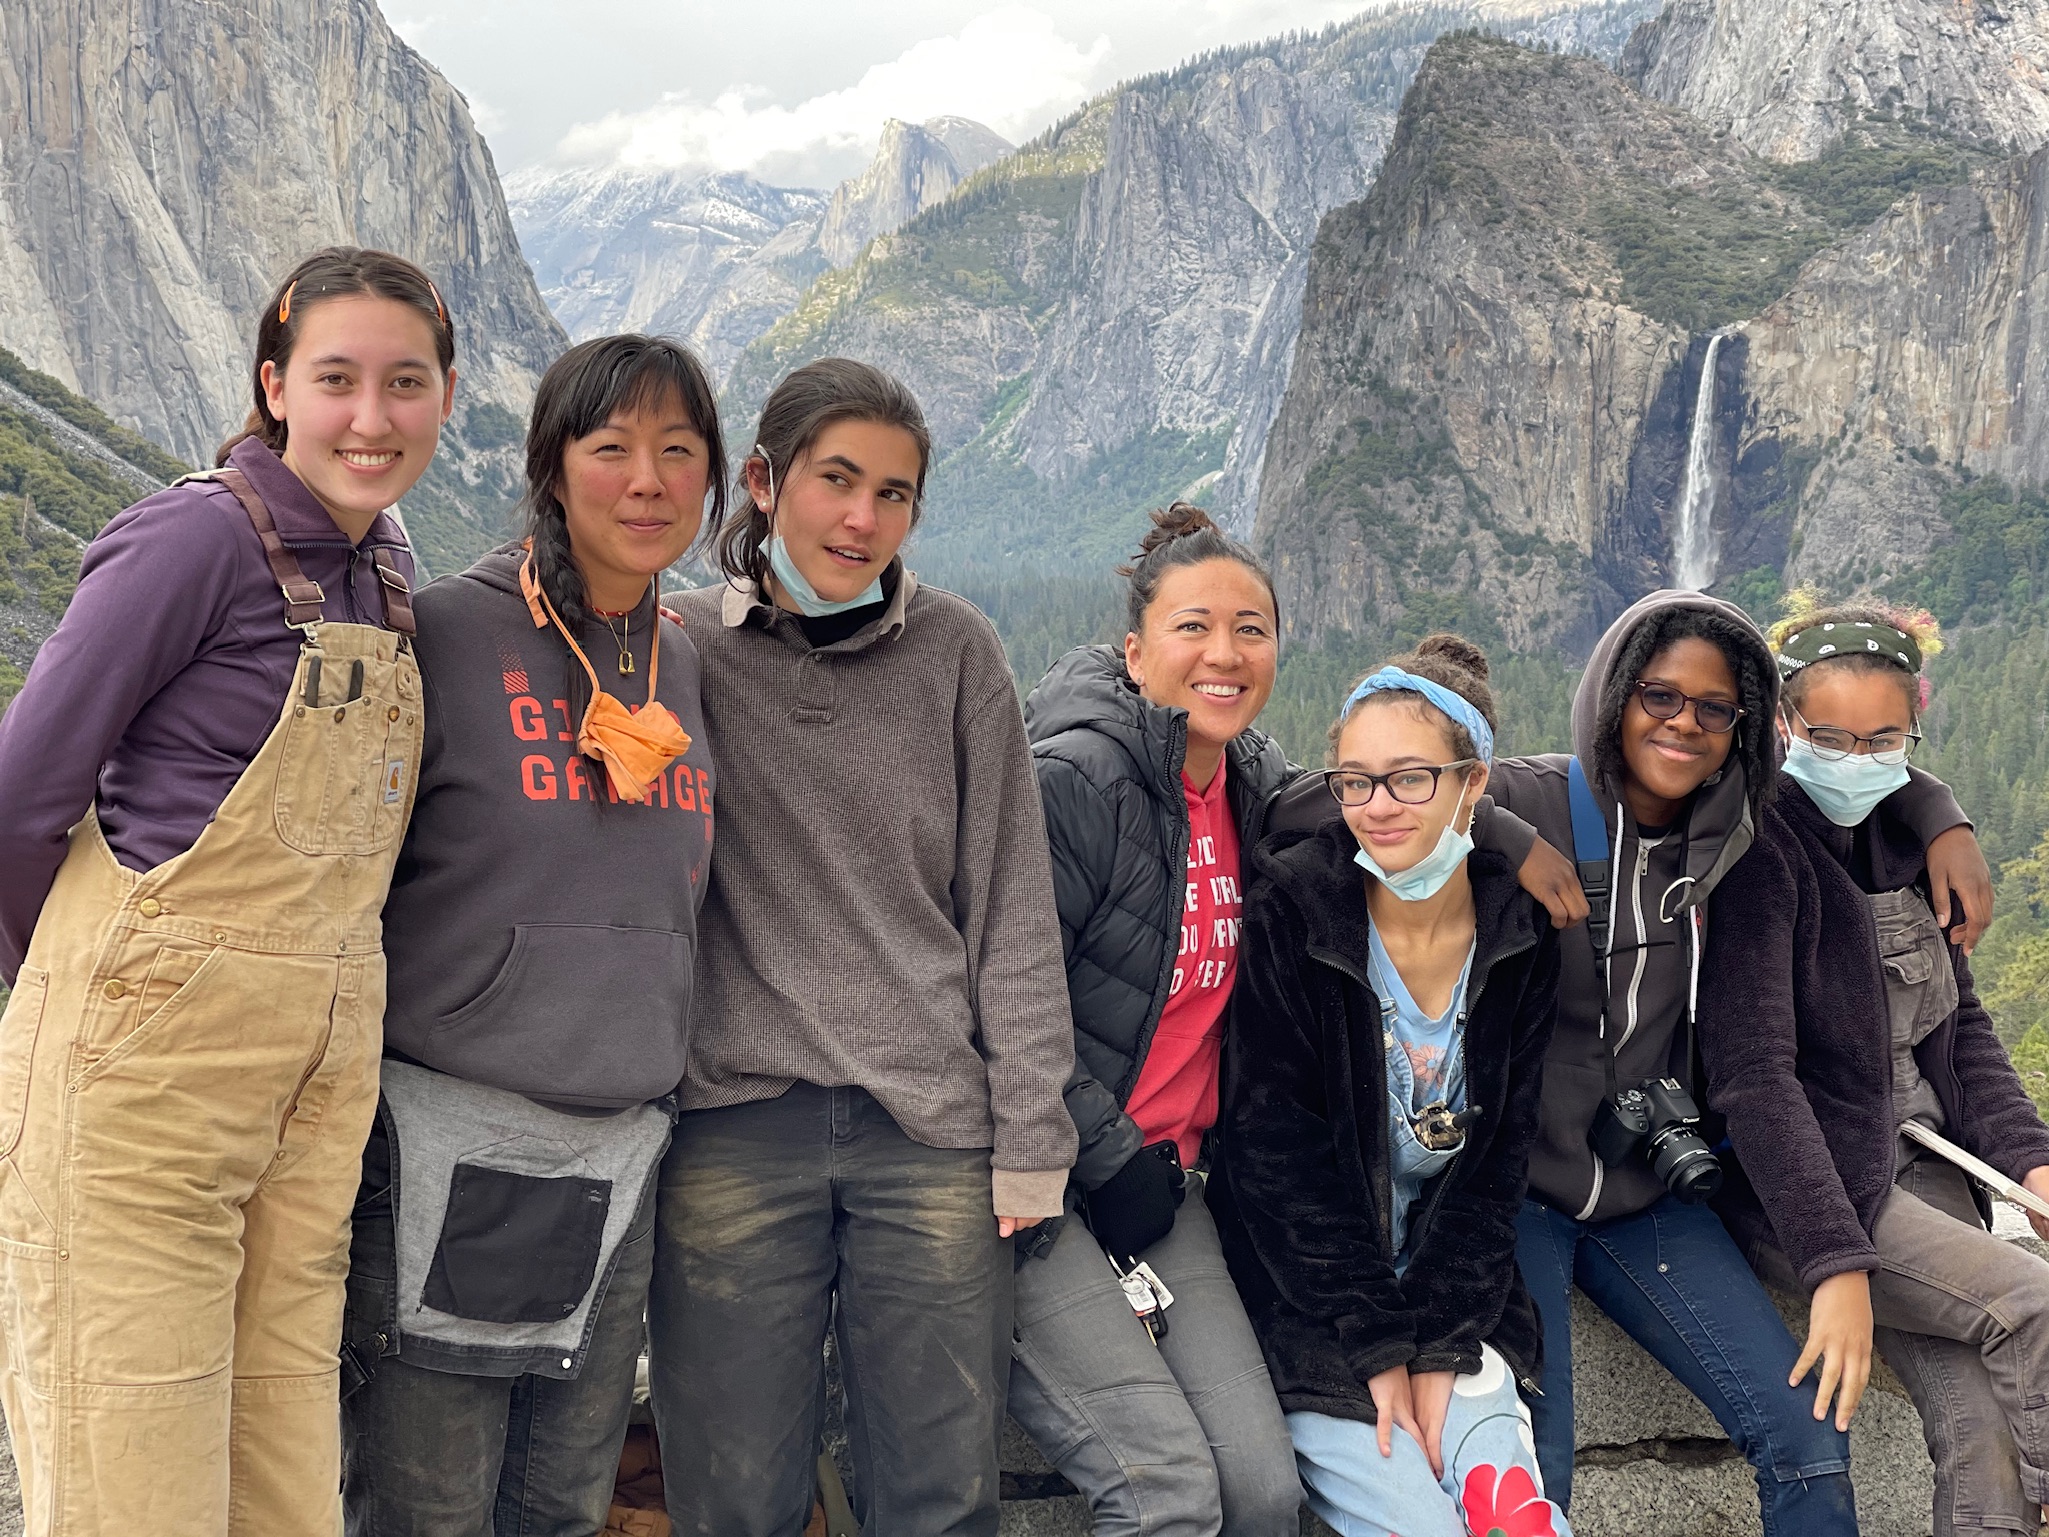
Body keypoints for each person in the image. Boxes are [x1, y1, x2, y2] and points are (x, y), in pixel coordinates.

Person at [1017, 506, 1593, 1536]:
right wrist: (1105, 1161)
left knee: (1266, 1488)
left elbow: (1388, 793)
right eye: (1194, 627)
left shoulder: (1246, 784)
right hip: (1048, 1179)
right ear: (1135, 645)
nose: (1225, 654)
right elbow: (1007, 1003)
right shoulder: (1077, 781)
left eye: (1252, 629)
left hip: (1171, 1179)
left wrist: (1500, 822)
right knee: (1169, 1494)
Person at [0, 246, 454, 1535]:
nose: (371, 417)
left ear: (445, 393)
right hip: (137, 1097)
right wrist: (116, 986)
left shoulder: (385, 570)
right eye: (337, 379)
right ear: (274, 385)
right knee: (128, 1473)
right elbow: (19, 794)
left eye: (404, 382)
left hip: (300, 1115)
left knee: (279, 1488)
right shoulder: (192, 537)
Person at [649, 357, 1077, 1536]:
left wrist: (1032, 1132)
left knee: (939, 1496)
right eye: (838, 481)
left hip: (930, 1136)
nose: (862, 518)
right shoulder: (676, 647)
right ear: (763, 480)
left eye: (895, 494)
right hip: (733, 1125)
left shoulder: (958, 652)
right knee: (733, 1496)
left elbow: (1010, 911)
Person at [1491, 589, 1990, 1535]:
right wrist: (1501, 834)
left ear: (1743, 726)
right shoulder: (1528, 796)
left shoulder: (1736, 838)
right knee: (1533, 1464)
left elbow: (1848, 789)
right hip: (1519, 1192)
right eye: (1657, 695)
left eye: (1712, 708)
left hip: (1648, 1192)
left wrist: (1938, 810)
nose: (1682, 722)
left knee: (1807, 1438)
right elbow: (1342, 792)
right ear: (1611, 694)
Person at [338, 335, 724, 1536]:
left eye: (679, 452)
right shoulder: (447, 634)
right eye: (612, 449)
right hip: (448, 1145)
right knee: (428, 1510)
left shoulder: (687, 660)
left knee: (563, 1507)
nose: (648, 480)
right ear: (552, 469)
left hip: (618, 1155)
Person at [1702, 593, 2049, 1537]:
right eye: (1830, 735)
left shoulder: (1907, 838)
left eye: (1882, 739)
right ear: (1783, 723)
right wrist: (1835, 1259)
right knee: (2035, 1302)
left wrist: (2030, 1163)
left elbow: (1958, 1030)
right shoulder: (1757, 852)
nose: (1857, 760)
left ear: (1912, 732)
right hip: (1821, 1188)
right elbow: (1754, 1079)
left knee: (1979, 1422)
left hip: (1927, 1177)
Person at [1211, 634, 1569, 1537]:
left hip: (1456, 1290)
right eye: (1355, 781)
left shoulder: (1517, 930)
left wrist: (1441, 1342)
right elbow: (1274, 1161)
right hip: (1315, 1299)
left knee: (1512, 1508)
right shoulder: (1294, 911)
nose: (1378, 806)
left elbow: (1494, 1167)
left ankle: (1496, 1470)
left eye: (1410, 778)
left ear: (1472, 785)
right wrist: (1377, 1344)